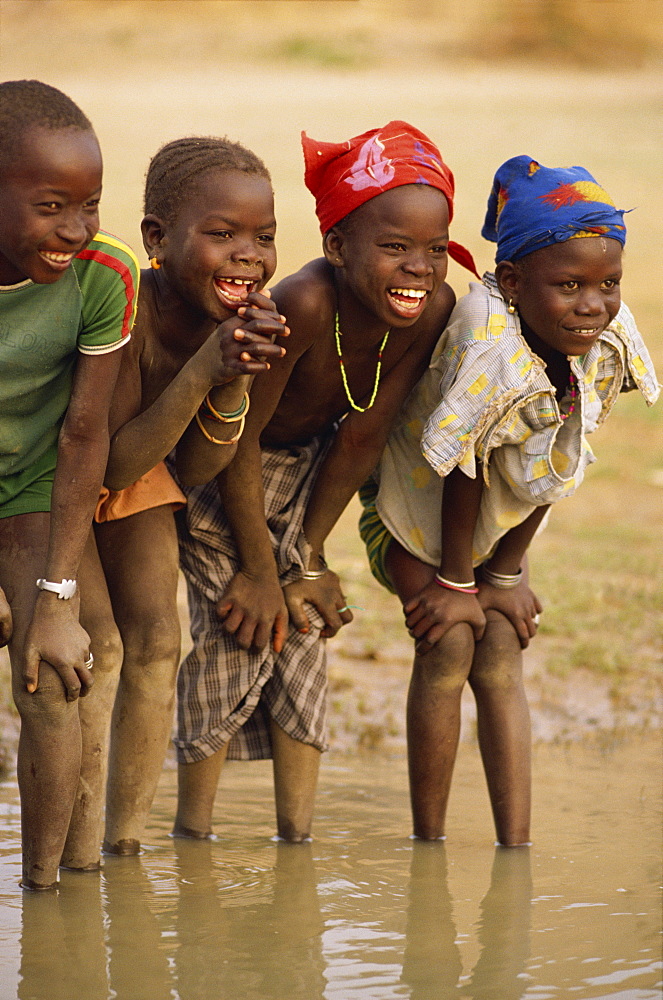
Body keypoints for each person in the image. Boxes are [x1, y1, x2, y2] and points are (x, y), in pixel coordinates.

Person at [172, 121, 479, 843]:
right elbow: (238, 434)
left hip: (309, 472)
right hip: (223, 474)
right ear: (337, 248)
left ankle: (296, 841)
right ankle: (193, 838)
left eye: (435, 250)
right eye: (395, 247)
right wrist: (258, 568)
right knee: (237, 627)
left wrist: (303, 561)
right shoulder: (305, 303)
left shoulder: (430, 312)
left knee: (302, 624)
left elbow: (361, 439)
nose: (420, 268)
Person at [359, 155, 659, 846]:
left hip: (496, 519)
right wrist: (460, 583)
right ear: (514, 282)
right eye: (570, 286)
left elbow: (564, 453)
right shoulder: (486, 340)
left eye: (607, 283)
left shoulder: (596, 333)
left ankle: (514, 849)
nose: (591, 302)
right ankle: (427, 848)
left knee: (501, 647)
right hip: (411, 505)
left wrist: (502, 575)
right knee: (449, 641)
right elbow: (464, 464)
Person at [75, 136, 288, 859]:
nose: (247, 256)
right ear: (157, 240)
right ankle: (70, 844)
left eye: (263, 238)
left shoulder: (232, 321)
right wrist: (206, 367)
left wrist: (234, 378)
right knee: (99, 649)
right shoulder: (123, 304)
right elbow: (111, 463)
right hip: (61, 478)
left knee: (159, 643)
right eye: (221, 235)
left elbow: (194, 467)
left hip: (142, 484)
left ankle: (123, 845)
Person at [0, 79, 139, 889]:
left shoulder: (103, 274)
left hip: (33, 487)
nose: (77, 230)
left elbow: (85, 433)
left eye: (90, 204)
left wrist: (55, 599)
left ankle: (46, 905)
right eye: (53, 206)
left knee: (51, 672)